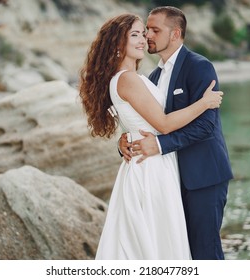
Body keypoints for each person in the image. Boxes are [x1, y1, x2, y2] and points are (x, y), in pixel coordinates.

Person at [79, 13, 223, 260]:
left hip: (176, 168)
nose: (144, 38)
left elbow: (139, 120)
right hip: (151, 168)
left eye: (144, 32)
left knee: (165, 240)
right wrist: (205, 102)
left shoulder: (147, 78)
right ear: (117, 44)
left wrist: (128, 137)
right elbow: (164, 124)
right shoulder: (130, 79)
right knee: (156, 240)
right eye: (135, 34)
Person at [119, 6, 233, 260]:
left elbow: (206, 126)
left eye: (155, 30)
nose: (148, 35)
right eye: (147, 29)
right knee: (178, 252)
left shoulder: (200, 67)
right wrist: (124, 142)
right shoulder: (153, 75)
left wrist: (159, 145)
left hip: (203, 176)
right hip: (169, 180)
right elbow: (147, 121)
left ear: (175, 34)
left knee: (205, 251)